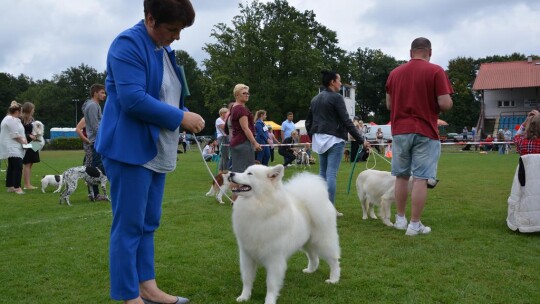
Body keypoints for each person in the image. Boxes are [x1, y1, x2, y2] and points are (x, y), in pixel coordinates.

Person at [94, 1, 204, 303]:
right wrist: (180, 118)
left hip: (157, 150)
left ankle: (148, 287)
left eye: (180, 30)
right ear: (150, 18)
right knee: (128, 226)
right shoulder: (127, 44)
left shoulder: (164, 49)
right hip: (130, 149)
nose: (177, 36)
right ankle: (128, 296)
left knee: (148, 223)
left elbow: (166, 95)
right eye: (172, 29)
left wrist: (184, 111)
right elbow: (133, 99)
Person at [385, 37, 453, 236]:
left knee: (401, 176)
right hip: (425, 131)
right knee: (422, 178)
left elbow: (389, 105)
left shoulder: (394, 74)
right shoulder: (436, 71)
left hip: (399, 131)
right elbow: (445, 104)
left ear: (410, 52)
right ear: (429, 52)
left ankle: (399, 219)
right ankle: (414, 225)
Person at [306, 70, 369, 217]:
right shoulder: (336, 98)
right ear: (332, 82)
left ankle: (321, 207)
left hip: (319, 138)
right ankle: (330, 208)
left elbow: (309, 122)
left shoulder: (315, 99)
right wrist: (362, 140)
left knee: (323, 173)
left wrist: (313, 136)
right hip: (334, 138)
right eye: (339, 80)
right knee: (331, 174)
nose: (341, 83)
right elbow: (347, 121)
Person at [82, 83, 108, 201]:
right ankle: (95, 194)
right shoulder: (92, 106)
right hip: (96, 141)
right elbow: (94, 126)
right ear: (95, 93)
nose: (104, 95)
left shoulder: (94, 105)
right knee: (97, 168)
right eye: (102, 92)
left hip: (96, 140)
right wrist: (104, 138)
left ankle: (94, 194)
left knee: (94, 167)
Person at [229, 84, 261, 175]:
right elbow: (245, 128)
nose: (247, 95)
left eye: (248, 93)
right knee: (244, 173)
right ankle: (239, 189)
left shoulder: (234, 107)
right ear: (237, 95)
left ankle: (236, 188)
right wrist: (254, 142)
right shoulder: (240, 109)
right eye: (244, 93)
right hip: (243, 143)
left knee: (238, 172)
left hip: (237, 142)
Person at [0, 101, 28, 195]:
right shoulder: (10, 119)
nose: (22, 113)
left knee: (12, 167)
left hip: (16, 146)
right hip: (12, 146)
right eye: (21, 111)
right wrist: (24, 142)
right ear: (17, 111)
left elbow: (20, 133)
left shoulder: (16, 119)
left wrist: (24, 142)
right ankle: (17, 187)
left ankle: (10, 186)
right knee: (18, 166)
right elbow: (14, 135)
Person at [20, 102, 40, 189]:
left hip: (34, 143)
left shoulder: (32, 119)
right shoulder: (20, 119)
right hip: (26, 143)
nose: (34, 110)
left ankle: (28, 183)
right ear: (29, 109)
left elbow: (35, 129)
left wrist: (37, 134)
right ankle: (27, 185)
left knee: (31, 162)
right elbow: (19, 132)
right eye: (33, 109)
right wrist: (29, 135)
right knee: (27, 163)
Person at [215, 107, 229, 172]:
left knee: (225, 155)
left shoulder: (226, 120)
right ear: (221, 113)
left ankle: (221, 170)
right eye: (225, 112)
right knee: (225, 155)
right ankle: (224, 170)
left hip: (226, 137)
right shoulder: (219, 120)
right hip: (222, 137)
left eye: (227, 112)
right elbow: (226, 129)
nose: (227, 113)